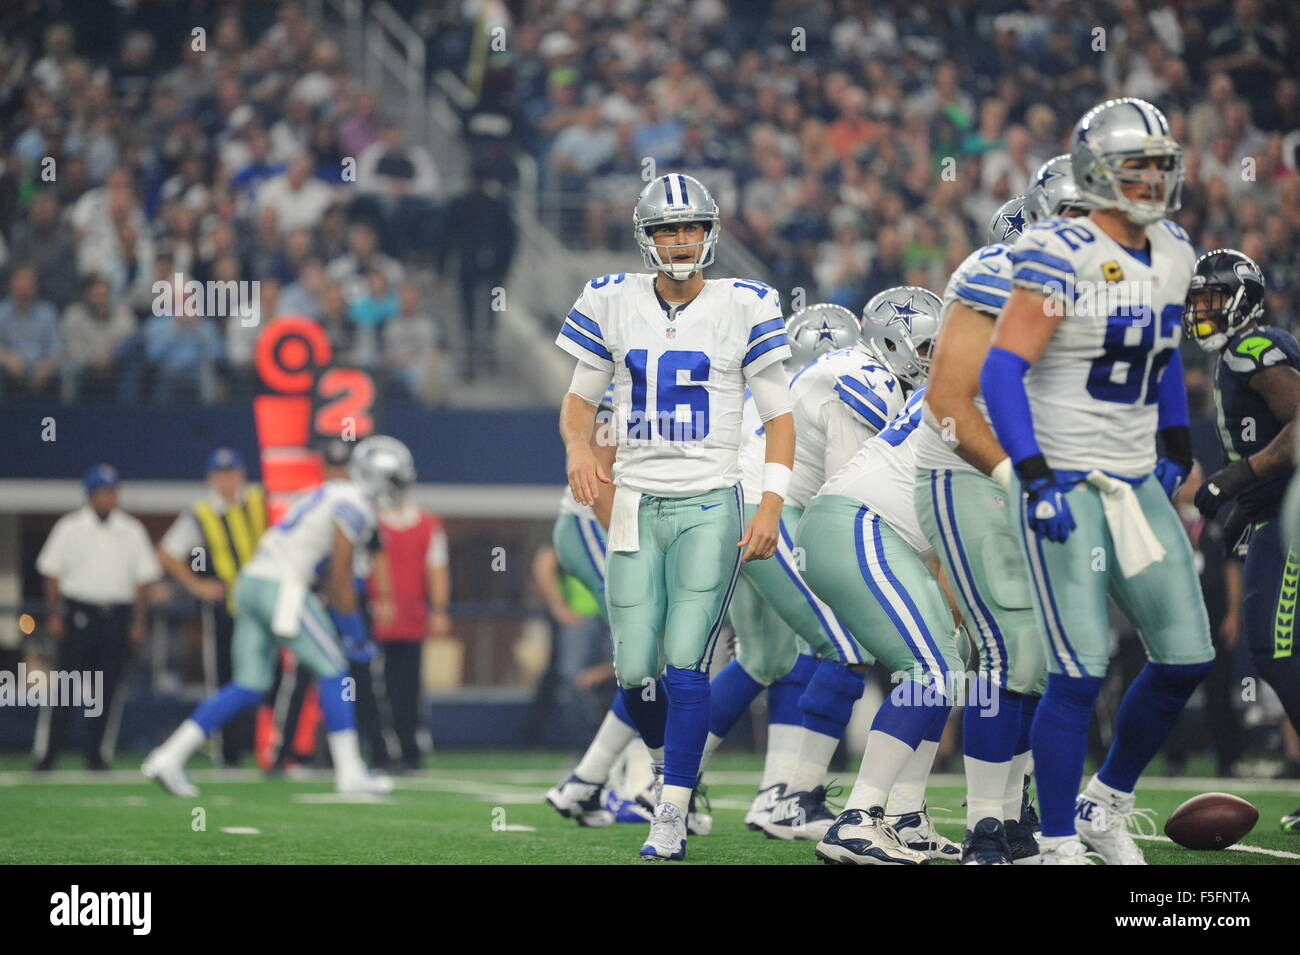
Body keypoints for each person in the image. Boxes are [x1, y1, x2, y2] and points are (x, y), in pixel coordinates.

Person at [981, 98, 1211, 865]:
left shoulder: (1176, 248)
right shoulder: (1059, 249)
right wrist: (1036, 474)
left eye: (1158, 164)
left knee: (1186, 656)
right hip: (1067, 480)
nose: (1149, 179)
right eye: (1132, 165)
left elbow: (1166, 349)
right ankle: (1053, 844)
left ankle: (1103, 803)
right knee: (1079, 668)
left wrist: (1175, 437)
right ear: (1094, 171)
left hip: (1135, 477)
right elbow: (1003, 367)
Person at [556, 173, 794, 861]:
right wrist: (579, 448)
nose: (683, 240)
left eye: (692, 227)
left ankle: (670, 808)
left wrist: (770, 501)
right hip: (633, 500)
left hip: (707, 501)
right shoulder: (610, 300)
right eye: (669, 229)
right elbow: (578, 403)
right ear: (647, 236)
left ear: (710, 231)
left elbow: (779, 418)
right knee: (636, 670)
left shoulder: (744, 303)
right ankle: (668, 773)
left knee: (686, 662)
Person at [910, 170, 1086, 865]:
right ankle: (986, 825)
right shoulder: (991, 272)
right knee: (1008, 644)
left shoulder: (1113, 282)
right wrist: (1022, 476)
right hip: (969, 473)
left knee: (1037, 656)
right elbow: (948, 405)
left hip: (1037, 482)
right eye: (1076, 208)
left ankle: (1013, 819)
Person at [142, 436, 412, 796]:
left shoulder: (327, 492)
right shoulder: (355, 502)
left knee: (249, 684)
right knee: (334, 667)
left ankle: (168, 756)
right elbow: (340, 576)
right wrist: (355, 633)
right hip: (282, 586)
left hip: (250, 583)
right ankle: (350, 772)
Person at [799, 288, 964, 865]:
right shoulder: (986, 389)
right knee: (932, 669)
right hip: (857, 523)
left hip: (874, 529)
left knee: (950, 661)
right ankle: (857, 818)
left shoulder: (969, 383)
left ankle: (906, 817)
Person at [1182, 248, 1300, 831]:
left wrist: (1236, 478)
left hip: (1290, 514)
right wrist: (1239, 511)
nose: (1201, 311)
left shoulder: (1255, 349)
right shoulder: (1236, 353)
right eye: (1197, 301)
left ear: (1243, 300)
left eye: (1211, 299)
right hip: (1272, 514)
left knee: (1276, 650)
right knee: (1275, 650)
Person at [34, 464, 161, 770]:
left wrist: (137, 622)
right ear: (90, 495)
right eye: (102, 492)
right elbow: (51, 573)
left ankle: (97, 755)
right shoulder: (70, 527)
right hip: (79, 613)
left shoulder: (131, 529)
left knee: (106, 690)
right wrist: (55, 615)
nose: (107, 498)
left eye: (112, 492)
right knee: (65, 686)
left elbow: (143, 580)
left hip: (116, 617)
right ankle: (47, 754)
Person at [157, 448, 267, 767]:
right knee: (226, 679)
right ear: (210, 479)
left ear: (242, 475)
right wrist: (197, 585)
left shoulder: (262, 500)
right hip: (227, 610)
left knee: (271, 679)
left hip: (267, 608)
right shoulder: (202, 512)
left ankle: (273, 750)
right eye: (219, 475)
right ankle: (228, 753)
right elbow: (167, 553)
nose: (226, 481)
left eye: (230, 473)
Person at [368, 484, 451, 771]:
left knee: (409, 688)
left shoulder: (427, 524)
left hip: (411, 619)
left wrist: (439, 609)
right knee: (375, 686)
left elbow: (436, 567)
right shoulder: (372, 520)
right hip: (374, 619)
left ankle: (409, 748)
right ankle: (380, 749)